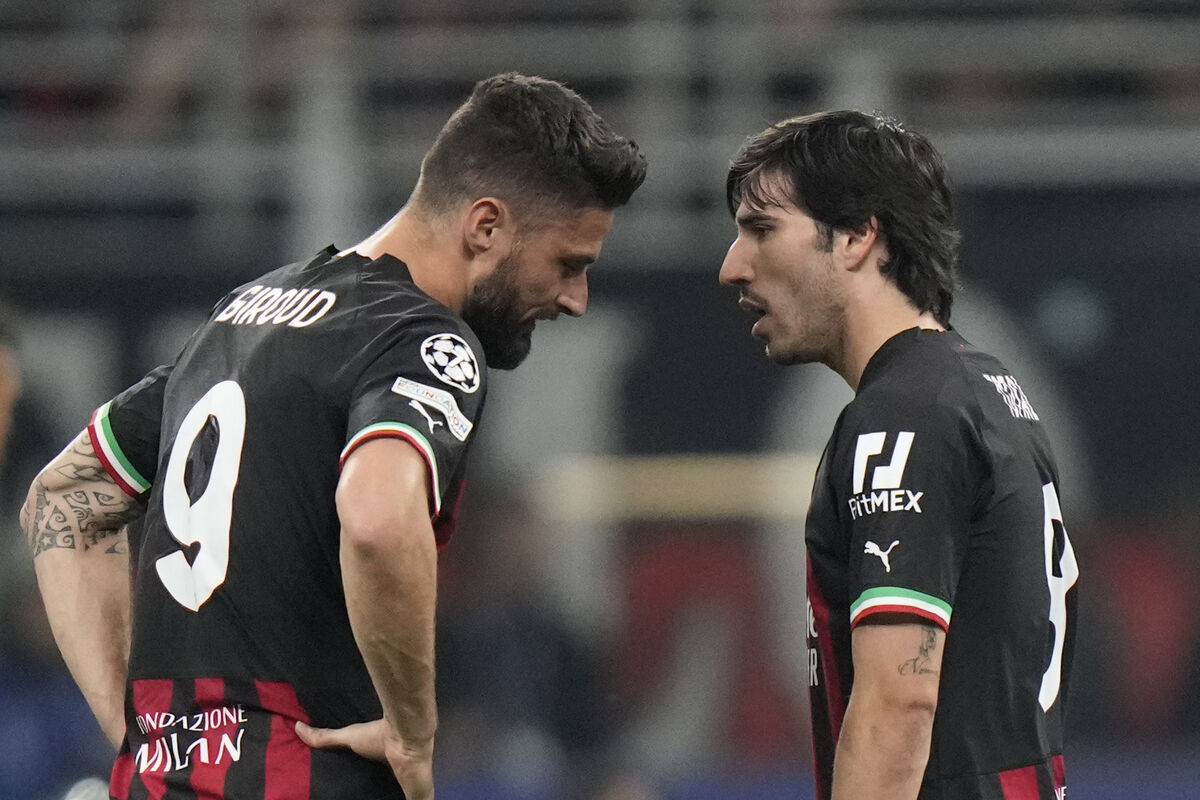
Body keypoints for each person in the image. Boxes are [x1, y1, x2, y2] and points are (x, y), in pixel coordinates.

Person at [20, 72, 645, 800]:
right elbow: (378, 518)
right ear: (484, 226)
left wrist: (138, 736)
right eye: (569, 264)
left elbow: (70, 493)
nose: (576, 298)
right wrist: (413, 728)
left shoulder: (244, 318)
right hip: (301, 771)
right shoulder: (421, 339)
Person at [719, 111, 1078, 800]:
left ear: (858, 236)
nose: (732, 265)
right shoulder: (985, 391)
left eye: (761, 229)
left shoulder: (906, 416)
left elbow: (897, 705)